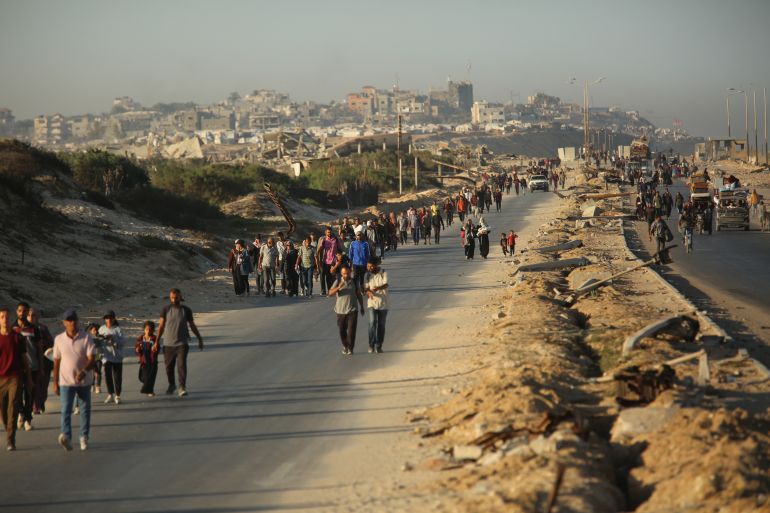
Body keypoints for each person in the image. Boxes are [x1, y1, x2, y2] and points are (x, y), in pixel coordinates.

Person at [53, 308, 96, 451]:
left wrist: (84, 371)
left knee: (84, 410)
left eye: (74, 320)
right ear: (64, 323)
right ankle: (66, 437)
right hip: (66, 381)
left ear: (77, 321)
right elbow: (56, 362)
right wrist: (55, 383)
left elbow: (92, 358)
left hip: (84, 381)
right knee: (65, 409)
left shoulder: (86, 337)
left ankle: (84, 436)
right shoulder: (59, 339)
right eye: (69, 320)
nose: (72, 322)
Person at [157, 288, 203, 398]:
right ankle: (172, 384)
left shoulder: (186, 310)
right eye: (172, 298)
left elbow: (192, 325)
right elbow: (161, 326)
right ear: (170, 298)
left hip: (182, 344)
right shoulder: (166, 309)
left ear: (180, 297)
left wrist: (199, 338)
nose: (174, 299)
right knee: (169, 367)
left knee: (181, 366)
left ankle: (182, 387)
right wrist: (156, 341)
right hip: (168, 344)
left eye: (176, 297)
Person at [1, 306, 31, 451]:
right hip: (0, 378)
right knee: (3, 410)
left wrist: (29, 378)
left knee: (13, 406)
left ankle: (10, 440)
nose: (5, 320)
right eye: (2, 317)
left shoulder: (17, 336)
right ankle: (8, 429)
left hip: (15, 377)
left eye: (7, 317)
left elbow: (24, 358)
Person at [14, 302, 42, 431]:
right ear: (17, 312)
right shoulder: (12, 328)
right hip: (17, 367)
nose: (22, 313)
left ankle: (28, 420)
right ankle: (21, 413)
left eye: (24, 311)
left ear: (27, 313)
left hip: (33, 366)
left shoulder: (34, 329)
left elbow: (39, 349)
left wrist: (41, 367)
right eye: (20, 310)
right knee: (17, 394)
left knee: (29, 394)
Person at [328, 266, 364, 355]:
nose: (346, 275)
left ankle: (350, 348)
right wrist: (338, 288)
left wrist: (362, 306)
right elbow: (330, 293)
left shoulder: (354, 281)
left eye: (348, 273)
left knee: (351, 330)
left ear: (350, 272)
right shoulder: (338, 281)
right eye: (344, 273)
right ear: (341, 274)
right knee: (342, 330)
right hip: (340, 311)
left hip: (352, 309)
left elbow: (358, 294)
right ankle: (345, 346)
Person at [27, 308, 54, 412]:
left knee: (43, 386)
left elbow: (51, 342)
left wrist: (42, 343)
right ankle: (35, 405)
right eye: (29, 315)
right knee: (34, 385)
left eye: (33, 315)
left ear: (37, 317)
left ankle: (41, 402)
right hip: (31, 362)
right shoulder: (23, 329)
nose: (31, 317)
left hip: (45, 362)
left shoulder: (42, 328)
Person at [99, 310, 124, 405]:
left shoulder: (118, 329)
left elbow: (122, 343)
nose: (108, 320)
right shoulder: (101, 329)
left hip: (117, 356)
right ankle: (110, 394)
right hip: (106, 356)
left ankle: (117, 395)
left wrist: (113, 338)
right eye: (107, 318)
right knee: (107, 376)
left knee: (117, 377)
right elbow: (98, 341)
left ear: (114, 319)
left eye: (110, 318)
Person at [364, 257, 389, 354]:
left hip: (383, 303)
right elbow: (366, 288)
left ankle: (379, 345)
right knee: (372, 322)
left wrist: (378, 288)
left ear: (376, 265)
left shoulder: (383, 272)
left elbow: (386, 284)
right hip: (372, 302)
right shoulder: (367, 275)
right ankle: (371, 345)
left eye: (371, 266)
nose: (369, 268)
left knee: (381, 325)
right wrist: (369, 292)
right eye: (368, 266)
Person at [135, 321, 158, 397]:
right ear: (144, 330)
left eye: (150, 330)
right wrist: (137, 350)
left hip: (152, 361)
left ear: (153, 330)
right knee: (143, 377)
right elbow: (136, 348)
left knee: (151, 377)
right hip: (144, 361)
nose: (148, 331)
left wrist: (155, 349)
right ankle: (148, 389)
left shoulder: (154, 339)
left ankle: (149, 391)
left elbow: (157, 348)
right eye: (146, 329)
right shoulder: (140, 339)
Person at [317, 228, 341, 295]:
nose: (329, 233)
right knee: (324, 276)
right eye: (328, 232)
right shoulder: (324, 239)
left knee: (331, 276)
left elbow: (339, 249)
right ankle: (325, 290)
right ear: (325, 233)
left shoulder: (335, 239)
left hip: (333, 261)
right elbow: (320, 249)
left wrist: (338, 257)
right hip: (325, 260)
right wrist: (318, 259)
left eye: (330, 232)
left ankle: (331, 289)